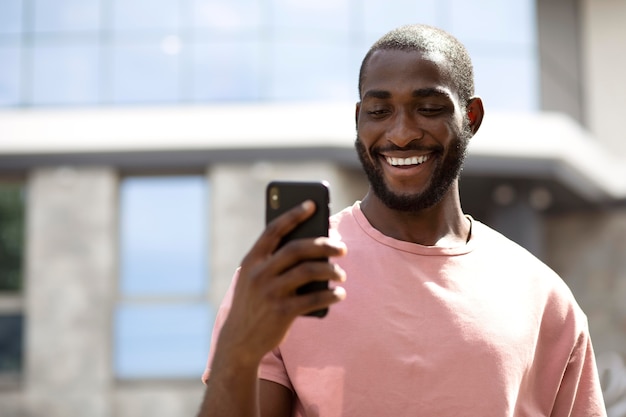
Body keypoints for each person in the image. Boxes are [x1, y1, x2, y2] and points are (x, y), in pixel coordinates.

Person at [197, 24, 607, 416]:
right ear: (359, 120)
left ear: (472, 118)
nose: (401, 133)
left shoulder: (543, 297)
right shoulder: (288, 276)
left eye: (428, 108)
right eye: (379, 110)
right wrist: (239, 350)